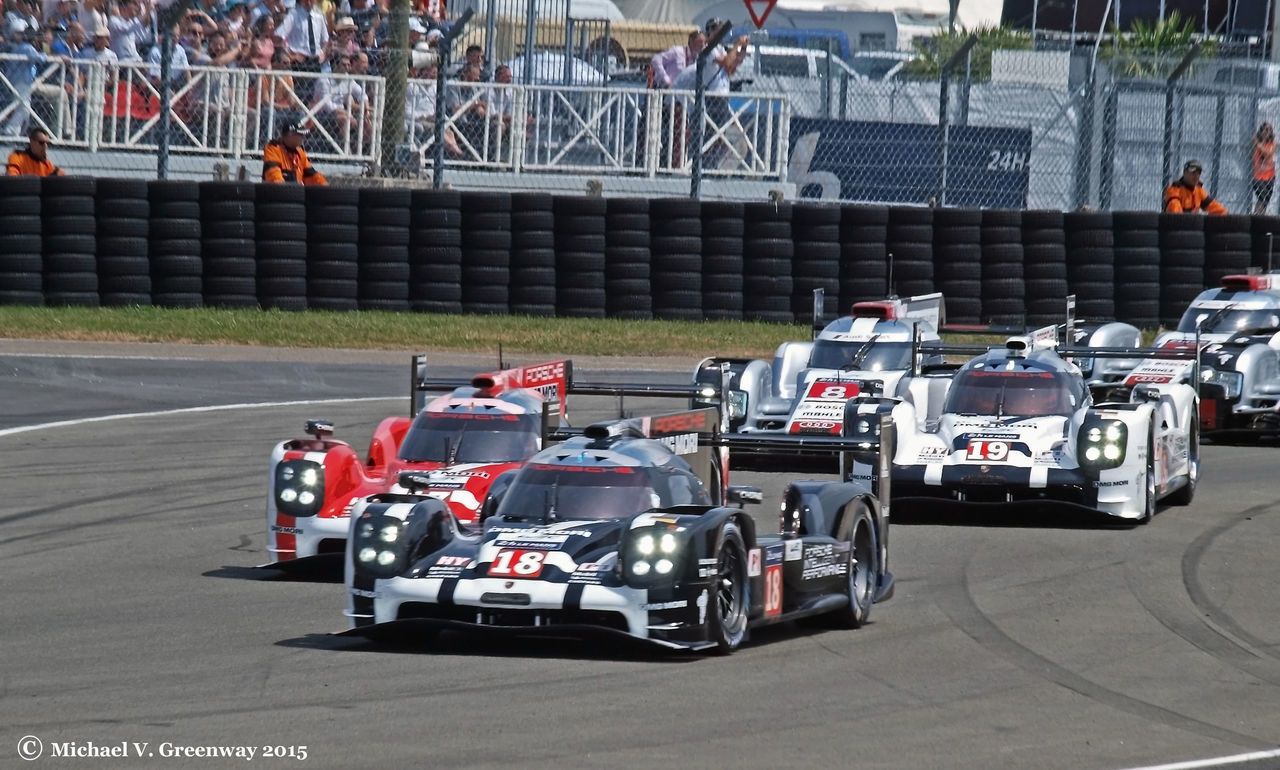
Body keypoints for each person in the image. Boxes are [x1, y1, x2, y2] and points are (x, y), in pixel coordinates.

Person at [262, 119, 326, 183]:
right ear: (290, 134)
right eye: (300, 134)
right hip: (276, 191)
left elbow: (312, 175)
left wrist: (325, 186)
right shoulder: (273, 148)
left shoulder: (300, 152)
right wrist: (292, 188)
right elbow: (274, 176)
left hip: (295, 190)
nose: (303, 137)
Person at [1253, 122, 1275, 215]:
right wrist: (1258, 144)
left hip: (1270, 175)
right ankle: (1257, 215)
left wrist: (1259, 145)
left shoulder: (1272, 143)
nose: (1268, 132)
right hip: (1258, 176)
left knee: (1266, 199)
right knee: (1262, 196)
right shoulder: (1256, 142)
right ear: (1261, 131)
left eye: (1270, 130)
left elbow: (1268, 154)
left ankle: (1260, 216)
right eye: (1266, 129)